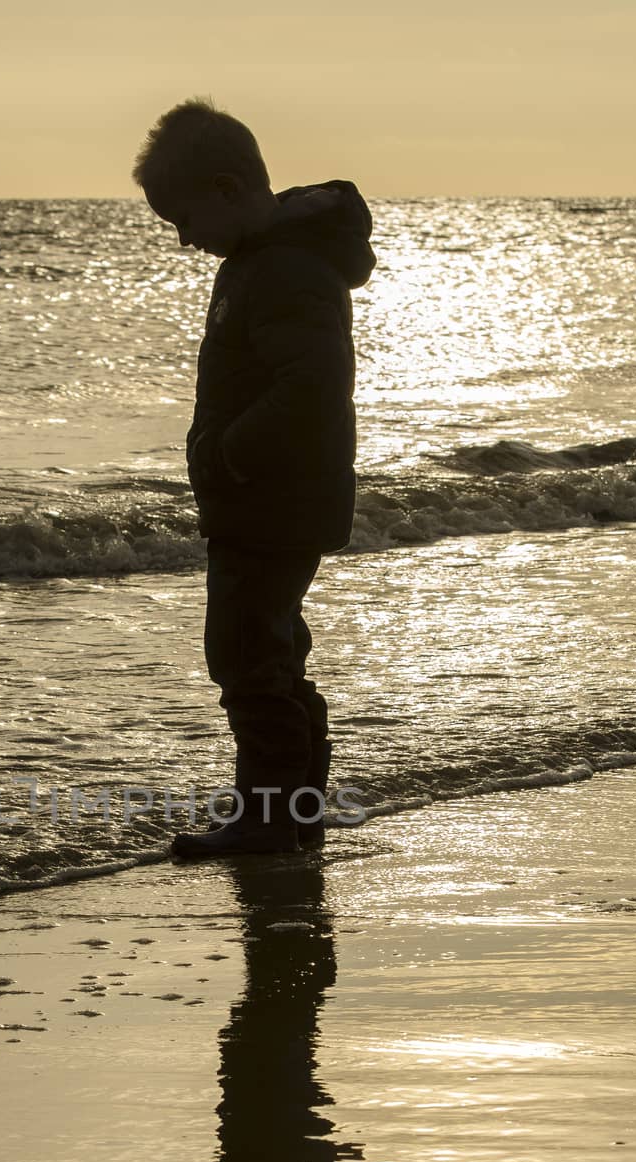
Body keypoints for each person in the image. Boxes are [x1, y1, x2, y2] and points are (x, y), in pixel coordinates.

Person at [131, 97, 376, 855]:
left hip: (272, 498)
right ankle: (292, 810)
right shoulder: (265, 260)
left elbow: (312, 381)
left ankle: (272, 818)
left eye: (185, 220)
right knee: (269, 651)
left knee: (245, 656)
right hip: (274, 497)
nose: (184, 241)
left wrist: (232, 450)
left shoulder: (286, 267)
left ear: (230, 190)